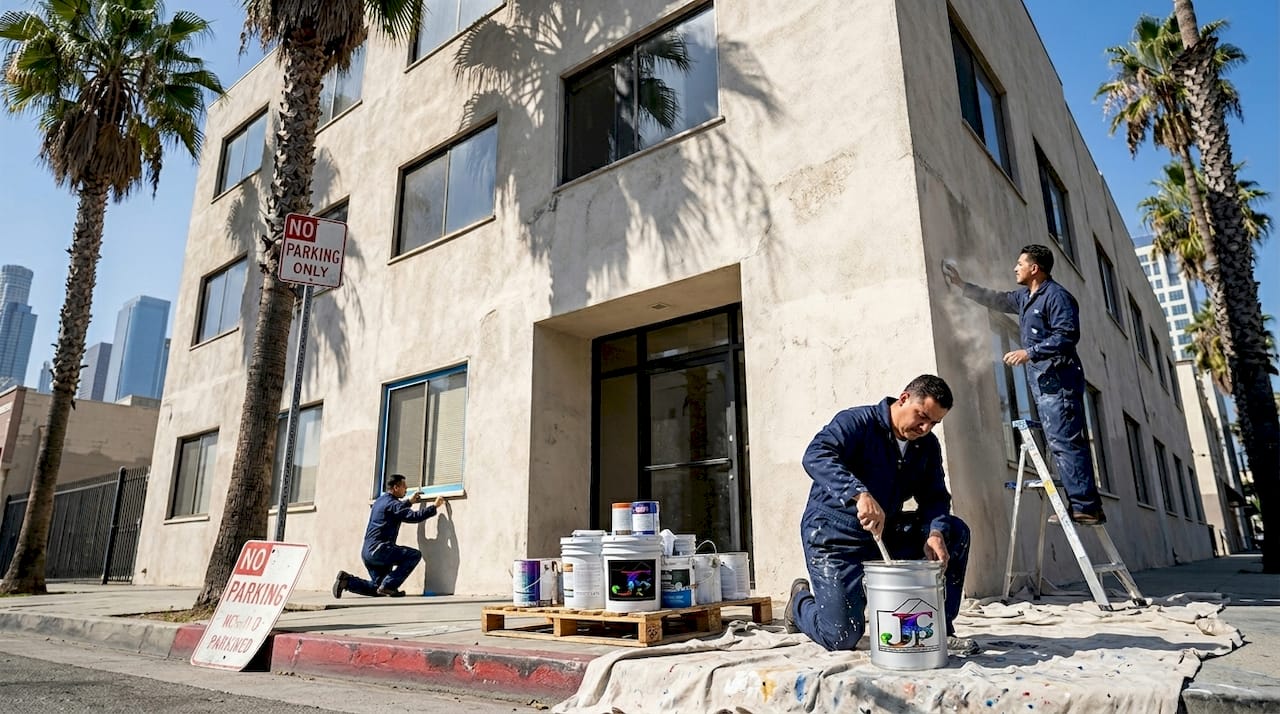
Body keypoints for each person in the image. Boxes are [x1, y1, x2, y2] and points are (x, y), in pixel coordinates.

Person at [784, 375, 976, 655]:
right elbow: (816, 455)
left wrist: (934, 533)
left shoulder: (926, 446)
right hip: (833, 536)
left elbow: (935, 497)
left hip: (884, 535)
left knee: (954, 532)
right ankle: (799, 603)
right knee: (841, 637)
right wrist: (858, 493)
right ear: (904, 398)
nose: (924, 428)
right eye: (921, 417)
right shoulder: (856, 423)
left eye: (933, 423)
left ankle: (938, 628)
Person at [943, 244, 1106, 525]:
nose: (1014, 268)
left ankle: (1085, 506)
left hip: (1060, 381)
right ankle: (1081, 504)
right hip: (1046, 383)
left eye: (1020, 263)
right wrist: (961, 285)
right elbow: (998, 299)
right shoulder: (1025, 297)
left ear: (1035, 268)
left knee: (1065, 441)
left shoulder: (1056, 297)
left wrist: (1029, 352)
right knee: (1058, 442)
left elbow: (1067, 335)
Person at [333, 474, 446, 598]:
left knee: (377, 588)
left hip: (368, 552)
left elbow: (394, 510)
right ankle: (389, 586)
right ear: (396, 487)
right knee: (414, 555)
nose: (406, 488)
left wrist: (409, 502)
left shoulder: (380, 501)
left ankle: (347, 581)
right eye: (404, 486)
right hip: (380, 550)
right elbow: (414, 516)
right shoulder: (393, 504)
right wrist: (434, 506)